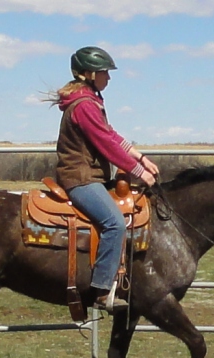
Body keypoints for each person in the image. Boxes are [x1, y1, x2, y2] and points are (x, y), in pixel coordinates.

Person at [51, 46, 159, 313]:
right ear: (88, 74)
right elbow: (104, 144)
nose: (108, 78)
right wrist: (138, 172)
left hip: (89, 176)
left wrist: (140, 156)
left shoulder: (89, 101)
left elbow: (110, 134)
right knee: (114, 223)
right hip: (80, 178)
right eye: (104, 73)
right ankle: (101, 290)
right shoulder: (85, 105)